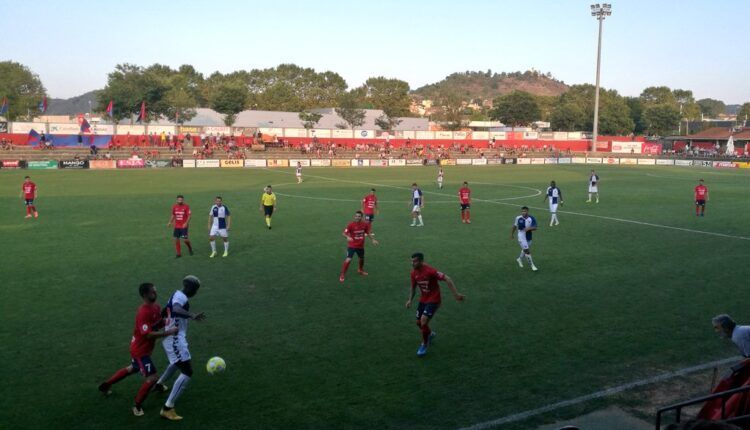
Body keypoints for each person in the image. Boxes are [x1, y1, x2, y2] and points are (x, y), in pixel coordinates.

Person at [98, 283, 177, 416]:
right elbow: (148, 334)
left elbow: (157, 323)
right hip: (140, 351)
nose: (155, 294)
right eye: (152, 292)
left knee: (133, 368)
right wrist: (168, 333)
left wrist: (169, 319)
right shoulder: (143, 312)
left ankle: (105, 385)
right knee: (152, 378)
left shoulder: (156, 306)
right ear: (145, 295)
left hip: (142, 349)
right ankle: (137, 406)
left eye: (155, 291)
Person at [155, 275, 205, 421]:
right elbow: (175, 309)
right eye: (195, 290)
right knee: (187, 371)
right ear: (190, 288)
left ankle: (159, 384)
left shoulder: (176, 294)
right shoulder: (181, 298)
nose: (196, 293)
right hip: (175, 339)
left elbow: (166, 310)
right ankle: (167, 408)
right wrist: (192, 315)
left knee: (177, 363)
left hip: (172, 337)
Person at [406, 252, 464, 357]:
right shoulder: (413, 273)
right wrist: (410, 300)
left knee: (423, 321)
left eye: (415, 261)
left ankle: (424, 344)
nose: (412, 263)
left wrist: (456, 294)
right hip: (423, 299)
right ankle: (429, 334)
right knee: (419, 323)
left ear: (421, 261)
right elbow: (413, 288)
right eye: (411, 261)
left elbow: (447, 278)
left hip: (434, 299)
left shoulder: (430, 271)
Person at [339, 211, 379, 283]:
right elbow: (343, 233)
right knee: (348, 259)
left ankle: (360, 270)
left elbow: (368, 233)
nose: (357, 217)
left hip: (360, 246)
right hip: (352, 246)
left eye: (359, 216)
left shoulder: (364, 224)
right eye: (356, 216)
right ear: (354, 216)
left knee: (361, 258)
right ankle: (342, 274)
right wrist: (347, 237)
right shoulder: (351, 225)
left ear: (361, 217)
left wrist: (373, 240)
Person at [511, 206, 538, 271]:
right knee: (527, 251)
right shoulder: (518, 218)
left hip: (529, 236)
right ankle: (532, 265)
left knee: (525, 249)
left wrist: (528, 229)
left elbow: (535, 227)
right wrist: (511, 234)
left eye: (525, 211)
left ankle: (519, 259)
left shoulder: (531, 218)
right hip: (521, 236)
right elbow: (515, 226)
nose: (523, 212)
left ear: (527, 211)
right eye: (522, 211)